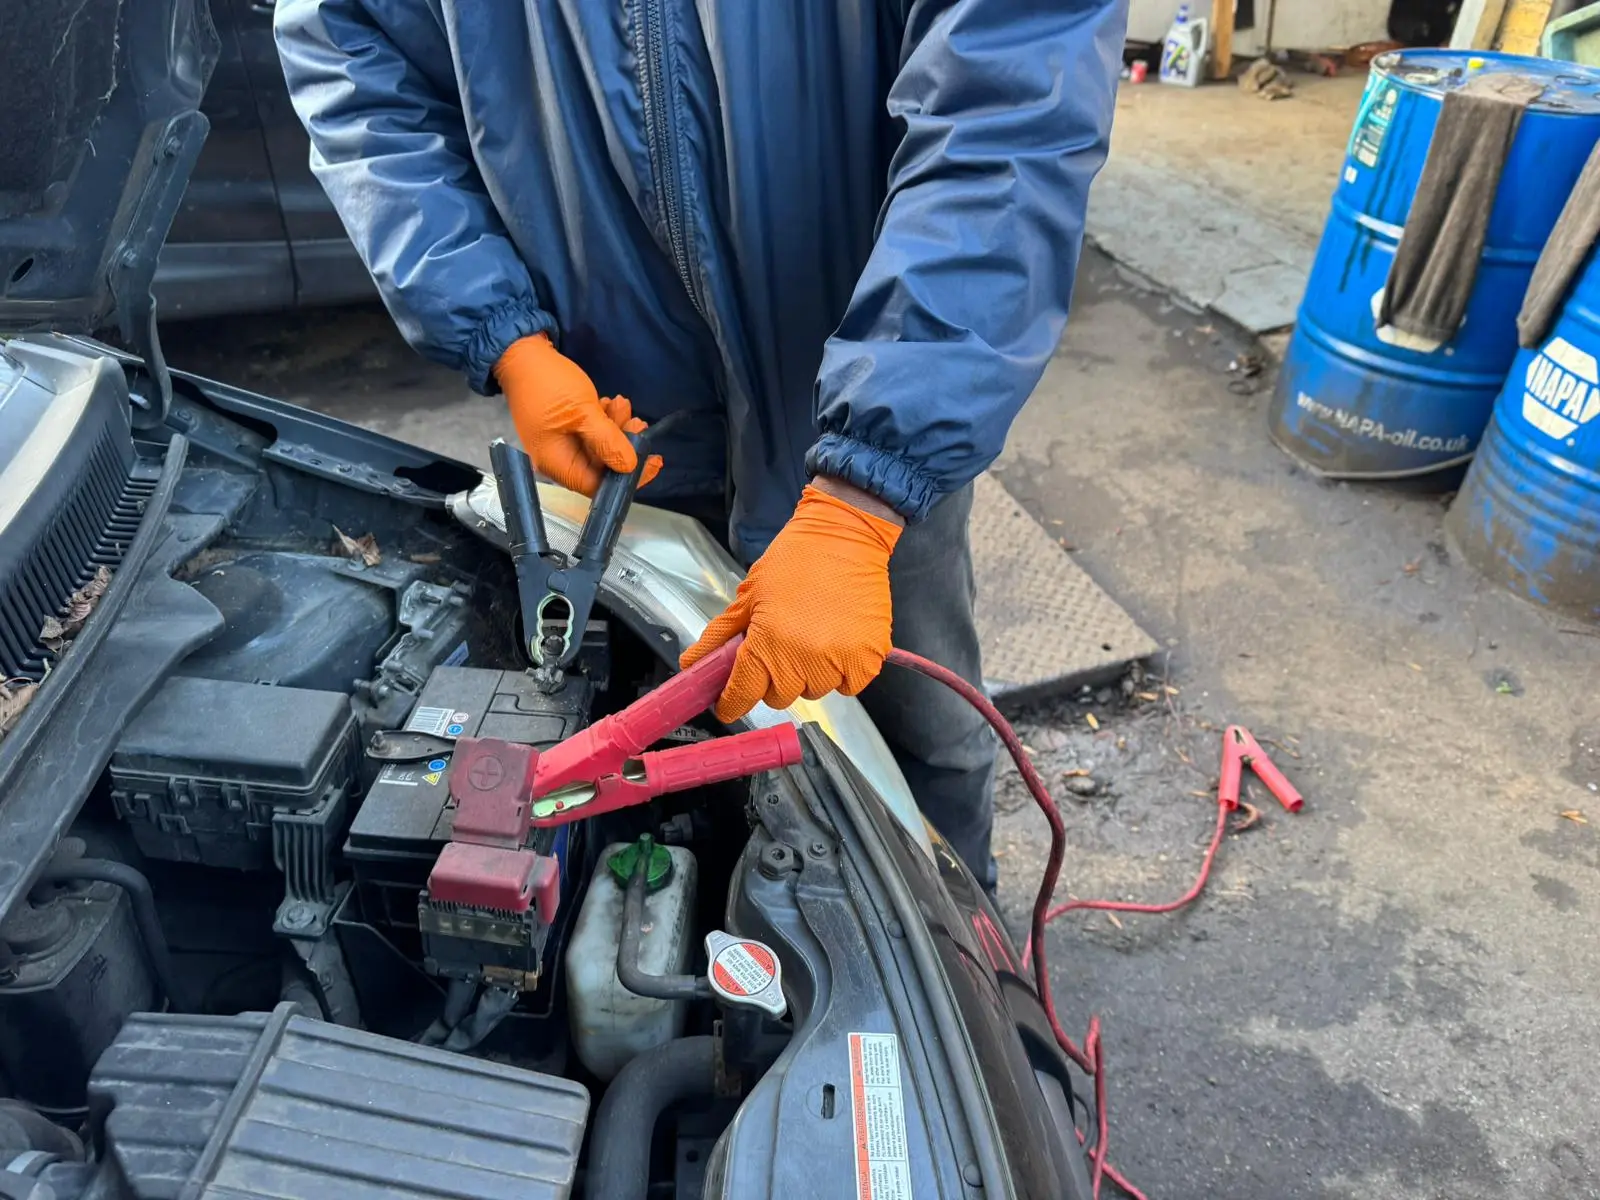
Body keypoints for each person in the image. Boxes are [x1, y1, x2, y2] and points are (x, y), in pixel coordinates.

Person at [274, 0, 1125, 891]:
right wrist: (506, 339)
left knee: (921, 741)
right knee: (672, 735)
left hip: (867, 401)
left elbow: (1007, 121)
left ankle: (967, 959)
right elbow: (349, 59)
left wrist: (868, 491)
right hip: (618, 416)